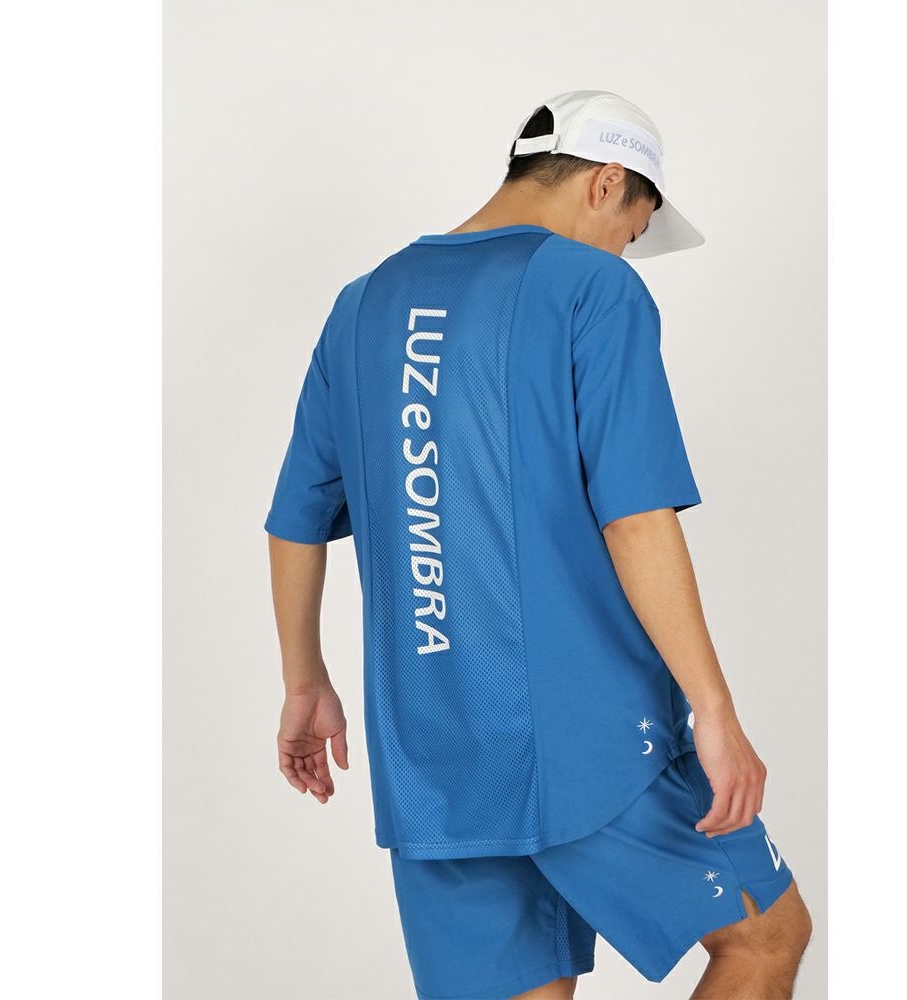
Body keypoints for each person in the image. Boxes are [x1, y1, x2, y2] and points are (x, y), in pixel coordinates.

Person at [263, 89, 812, 999]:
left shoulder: (361, 306)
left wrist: (303, 681)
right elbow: (634, 516)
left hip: (432, 753)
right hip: (586, 740)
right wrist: (714, 710)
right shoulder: (593, 287)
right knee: (766, 935)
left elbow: (294, 519)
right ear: (606, 183)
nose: (625, 251)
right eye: (635, 230)